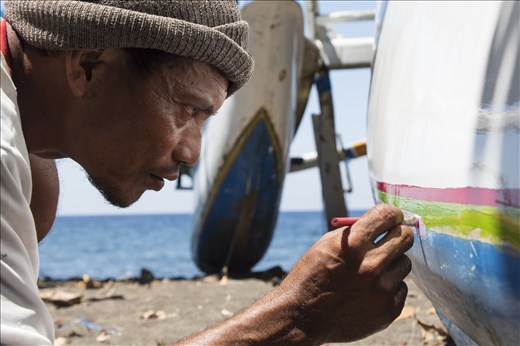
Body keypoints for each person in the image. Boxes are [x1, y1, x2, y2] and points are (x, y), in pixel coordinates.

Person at [0, 1, 413, 344]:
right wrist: (300, 315)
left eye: (205, 120)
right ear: (89, 66)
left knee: (39, 190)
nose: (192, 152)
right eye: (188, 109)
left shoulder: (25, 148)